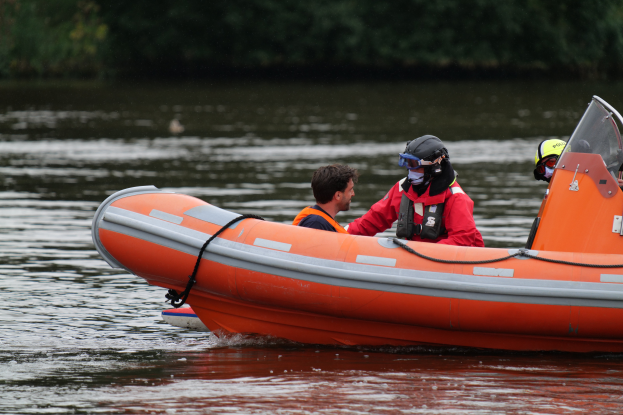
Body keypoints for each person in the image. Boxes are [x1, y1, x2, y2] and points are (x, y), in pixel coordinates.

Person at [347, 135, 484, 247]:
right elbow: (373, 220)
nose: (409, 170)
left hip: (449, 262)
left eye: (413, 164)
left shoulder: (456, 198)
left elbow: (462, 239)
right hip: (417, 256)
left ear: (434, 167)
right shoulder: (402, 188)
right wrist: (342, 233)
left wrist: (422, 255)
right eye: (406, 163)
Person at [293, 164, 359, 233]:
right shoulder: (315, 223)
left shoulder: (320, 222)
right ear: (338, 195)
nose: (353, 194)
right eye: (350, 190)